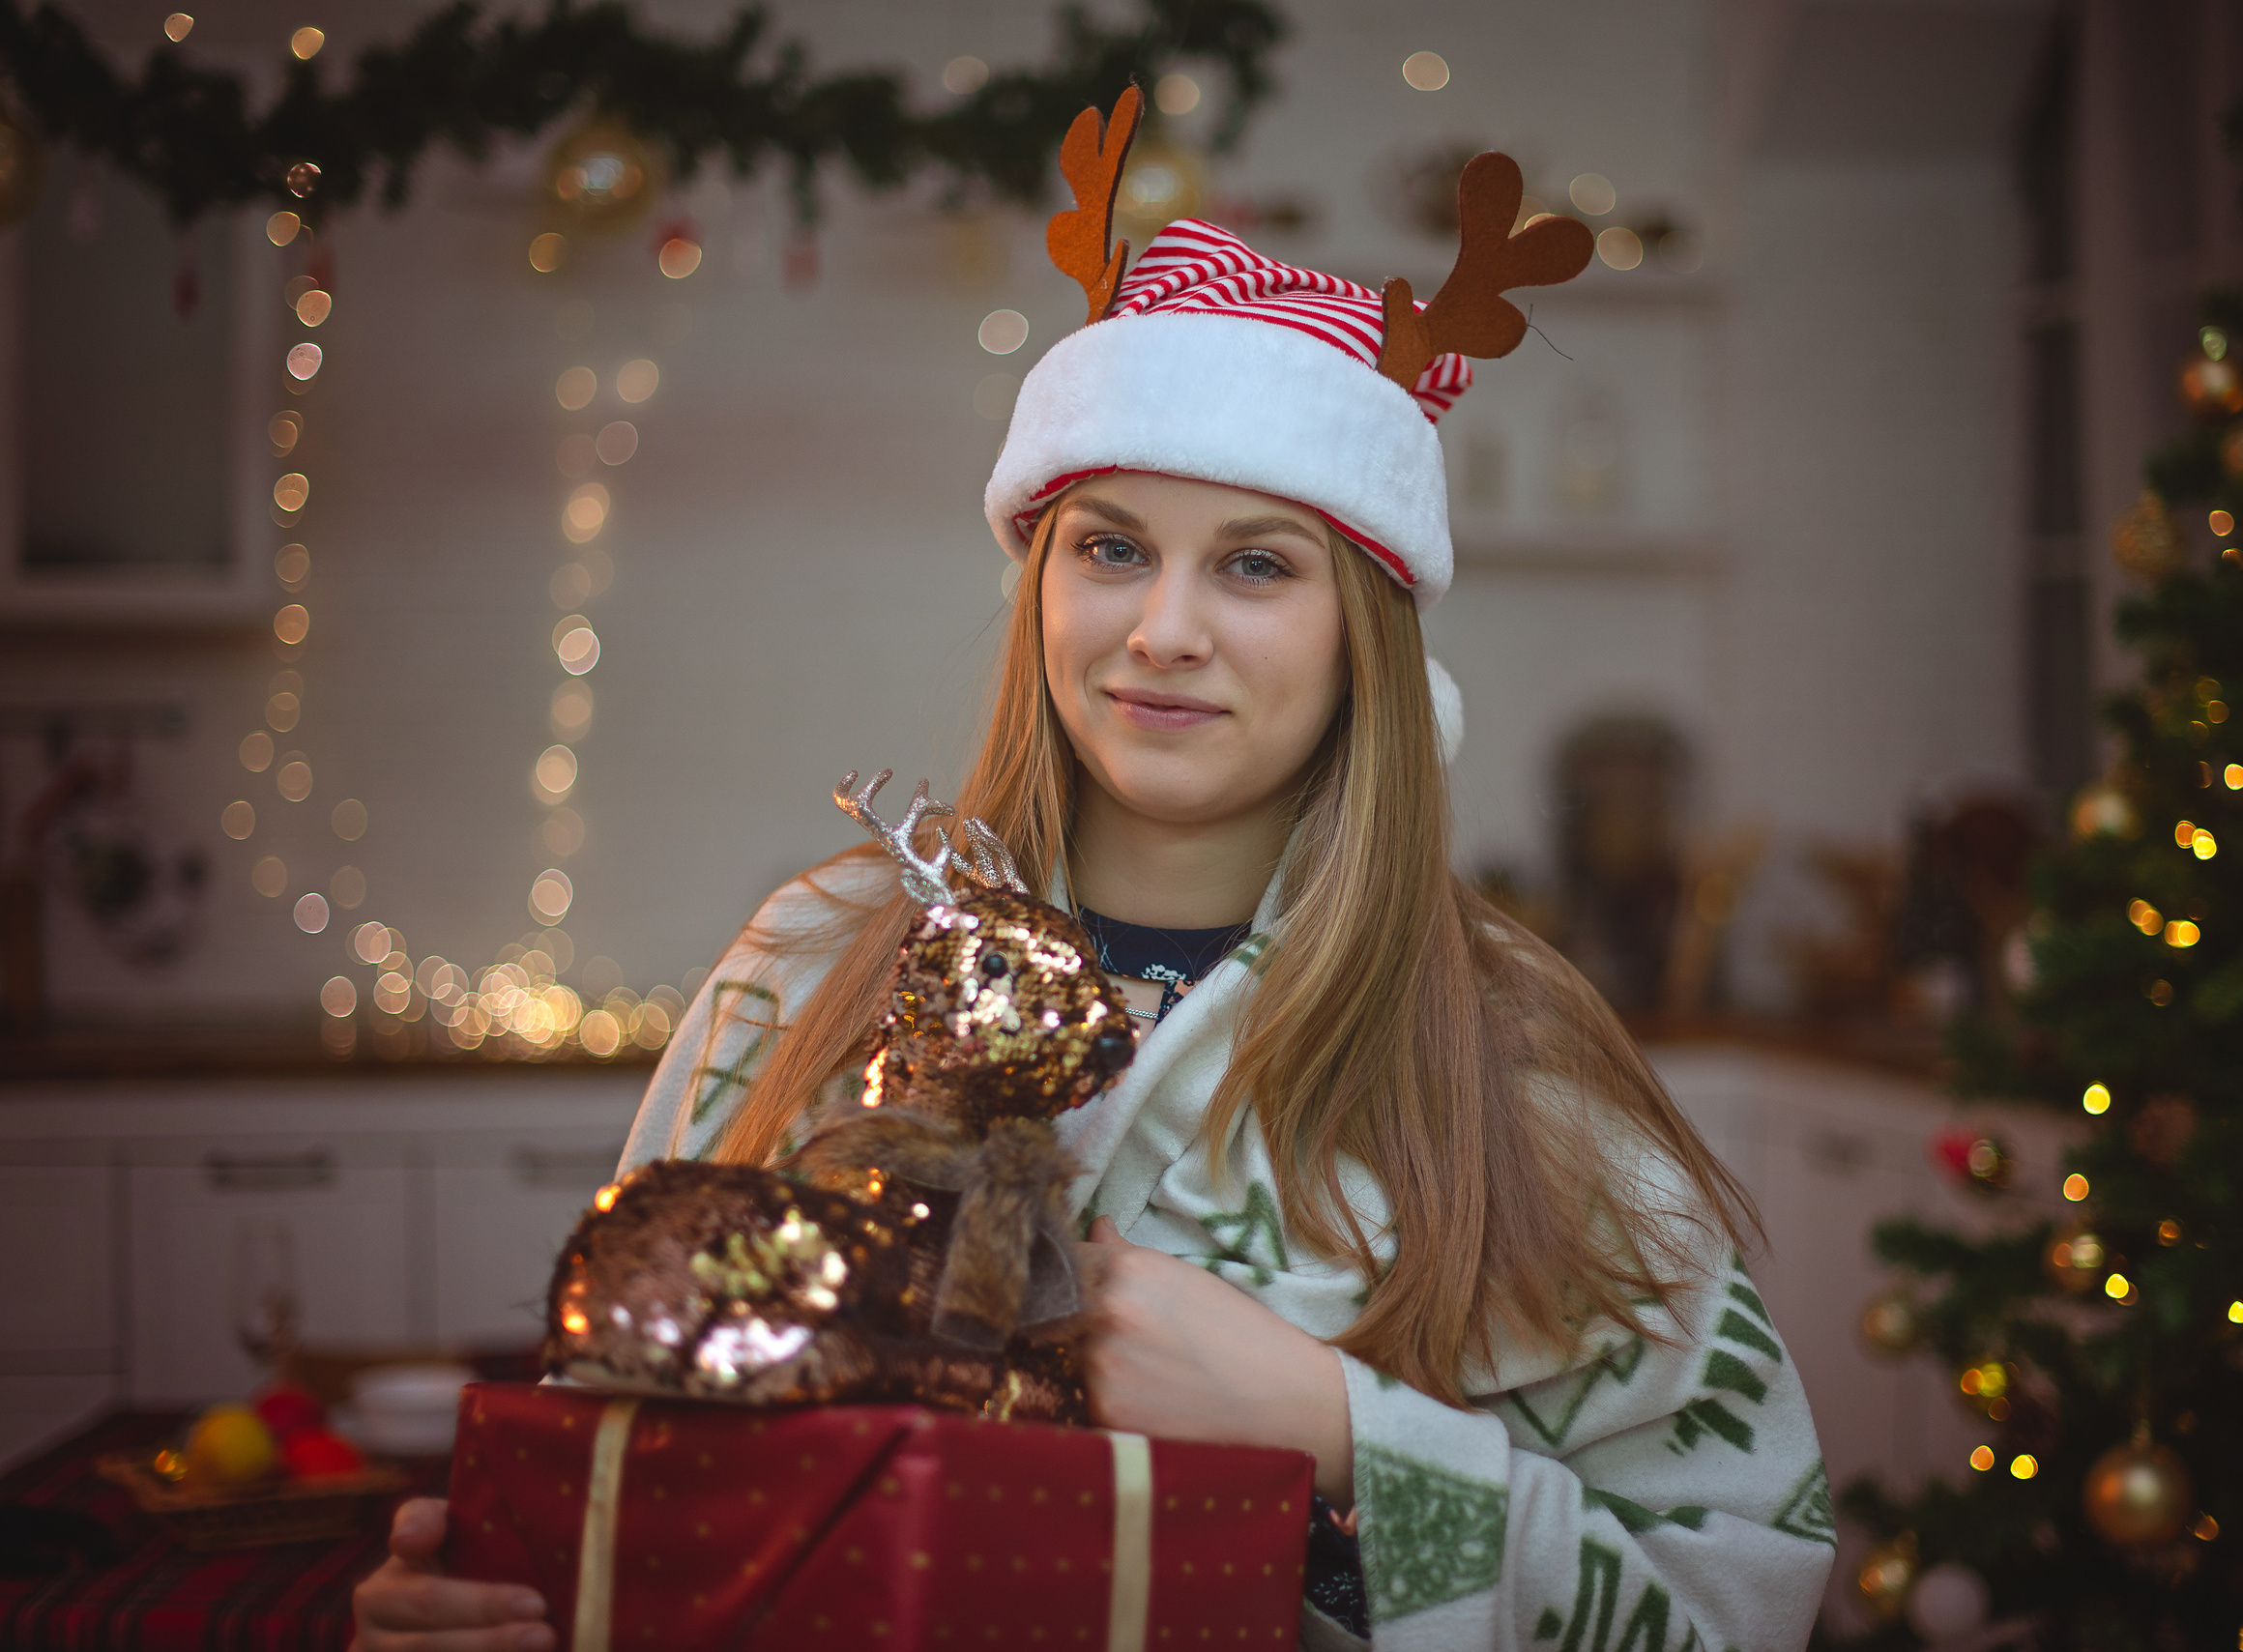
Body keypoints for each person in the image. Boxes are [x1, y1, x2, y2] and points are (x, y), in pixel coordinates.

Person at [355, 107, 1834, 1652]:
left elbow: (1736, 1604)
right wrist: (493, 1601)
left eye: (1258, 563)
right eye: (1112, 548)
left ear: (1365, 637)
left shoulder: (1511, 1075)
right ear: (1039, 582)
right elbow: (622, 1464)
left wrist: (1339, 1428)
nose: (1164, 630)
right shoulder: (807, 971)